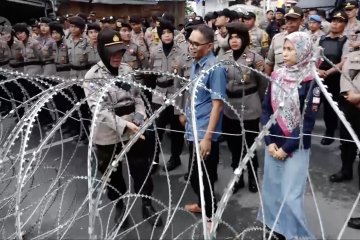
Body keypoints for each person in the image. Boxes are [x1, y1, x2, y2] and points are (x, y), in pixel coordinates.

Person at [83, 28, 163, 228]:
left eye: (120, 52)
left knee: (141, 169)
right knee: (112, 174)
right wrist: (123, 124)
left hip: (134, 129)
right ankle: (120, 206)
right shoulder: (92, 76)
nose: (118, 57)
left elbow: (137, 97)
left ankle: (147, 203)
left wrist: (138, 116)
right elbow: (97, 109)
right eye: (113, 53)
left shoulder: (127, 70)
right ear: (102, 51)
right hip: (108, 134)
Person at [259, 31, 318, 240]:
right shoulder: (277, 75)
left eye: (290, 49)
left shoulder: (311, 81)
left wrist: (286, 148)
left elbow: (307, 123)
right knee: (272, 190)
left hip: (296, 146)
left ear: (302, 51)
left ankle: (293, 234)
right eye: (283, 49)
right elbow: (266, 109)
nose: (284, 54)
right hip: (273, 142)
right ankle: (275, 228)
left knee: (290, 195)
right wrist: (268, 142)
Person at [183, 25, 227, 232]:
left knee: (205, 176)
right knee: (194, 174)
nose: (191, 46)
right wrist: (184, 112)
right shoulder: (197, 63)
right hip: (193, 128)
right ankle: (202, 206)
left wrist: (208, 137)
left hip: (204, 131)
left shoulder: (214, 68)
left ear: (208, 46)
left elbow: (217, 105)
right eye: (189, 42)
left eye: (195, 43)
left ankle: (211, 215)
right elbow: (194, 95)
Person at [219, 22, 267, 193]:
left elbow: (263, 84)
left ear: (245, 39)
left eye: (238, 37)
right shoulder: (224, 58)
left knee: (249, 145)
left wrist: (256, 101)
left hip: (249, 105)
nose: (234, 40)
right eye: (231, 37)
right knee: (234, 145)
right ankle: (237, 177)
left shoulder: (255, 58)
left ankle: (253, 177)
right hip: (230, 107)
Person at [148, 18, 186, 172]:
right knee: (157, 129)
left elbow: (185, 75)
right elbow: (151, 74)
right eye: (163, 33)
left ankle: (175, 158)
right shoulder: (154, 52)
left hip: (176, 94)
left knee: (176, 129)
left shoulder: (182, 52)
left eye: (169, 32)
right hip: (159, 95)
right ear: (159, 36)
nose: (167, 36)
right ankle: (154, 160)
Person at [328, 48, 360, 185]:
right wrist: (350, 96)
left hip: (356, 101)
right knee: (346, 141)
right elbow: (345, 77)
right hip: (349, 104)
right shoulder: (352, 56)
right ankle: (346, 170)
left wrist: (358, 98)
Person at [318, 11, 349, 146]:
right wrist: (318, 70)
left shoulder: (345, 41)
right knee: (314, 105)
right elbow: (316, 56)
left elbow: (343, 61)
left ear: (345, 24)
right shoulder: (322, 39)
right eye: (333, 20)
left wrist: (328, 71)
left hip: (335, 78)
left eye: (339, 21)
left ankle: (330, 132)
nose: (335, 23)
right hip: (319, 76)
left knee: (332, 107)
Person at [265, 6, 303, 75]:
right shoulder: (277, 38)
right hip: (278, 82)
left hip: (298, 83)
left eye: (294, 19)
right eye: (287, 19)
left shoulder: (306, 40)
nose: (289, 22)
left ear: (301, 21)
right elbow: (269, 62)